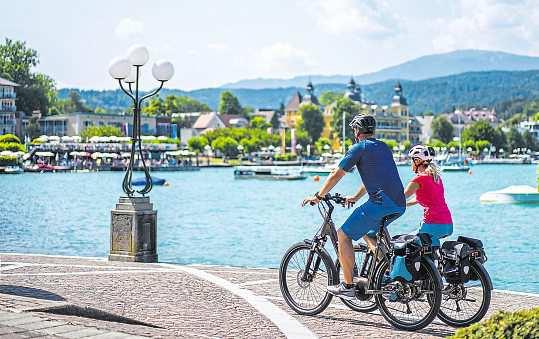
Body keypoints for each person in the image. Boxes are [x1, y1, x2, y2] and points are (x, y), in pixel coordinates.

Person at [302, 114, 406, 300]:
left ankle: (348, 286)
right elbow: (376, 178)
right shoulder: (383, 147)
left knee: (343, 235)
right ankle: (388, 274)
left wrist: (319, 196)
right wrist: (356, 197)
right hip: (398, 204)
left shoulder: (359, 148)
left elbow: (337, 174)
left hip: (380, 204)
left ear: (357, 131)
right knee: (369, 233)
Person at [404, 145, 453, 247]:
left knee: (403, 244)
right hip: (447, 224)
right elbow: (422, 199)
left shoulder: (419, 179)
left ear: (417, 161)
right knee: (430, 252)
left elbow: (400, 197)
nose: (411, 163)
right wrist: (405, 205)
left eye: (412, 160)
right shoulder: (436, 177)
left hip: (433, 224)